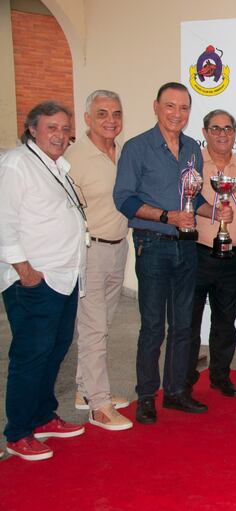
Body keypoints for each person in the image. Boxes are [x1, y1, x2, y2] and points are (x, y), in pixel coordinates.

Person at [113, 82, 232, 425]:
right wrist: (166, 216)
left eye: (183, 108)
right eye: (170, 106)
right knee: (153, 326)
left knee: (184, 325)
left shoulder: (193, 148)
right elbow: (124, 200)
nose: (177, 114)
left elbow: (192, 199)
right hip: (152, 244)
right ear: (156, 107)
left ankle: (177, 391)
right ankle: (147, 396)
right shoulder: (137, 148)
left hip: (187, 245)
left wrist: (215, 211)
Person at [0, 102, 86, 460]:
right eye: (52, 127)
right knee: (30, 356)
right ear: (32, 129)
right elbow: (3, 221)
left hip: (65, 277)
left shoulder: (57, 166)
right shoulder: (17, 165)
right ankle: (18, 432)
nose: (60, 135)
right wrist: (25, 270)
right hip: (34, 280)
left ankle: (42, 416)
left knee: (55, 350)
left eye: (65, 129)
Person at [66, 90, 132, 431]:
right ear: (88, 118)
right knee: (93, 329)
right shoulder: (73, 158)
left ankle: (83, 391)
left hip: (119, 246)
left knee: (102, 325)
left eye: (116, 113)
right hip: (90, 251)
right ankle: (100, 407)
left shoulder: (122, 152)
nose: (111, 120)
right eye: (103, 113)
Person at [186, 109, 236, 398]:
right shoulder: (191, 165)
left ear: (235, 132)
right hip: (197, 253)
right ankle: (184, 377)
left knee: (225, 321)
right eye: (215, 128)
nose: (222, 134)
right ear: (205, 132)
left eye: (227, 128)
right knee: (189, 321)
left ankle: (220, 376)